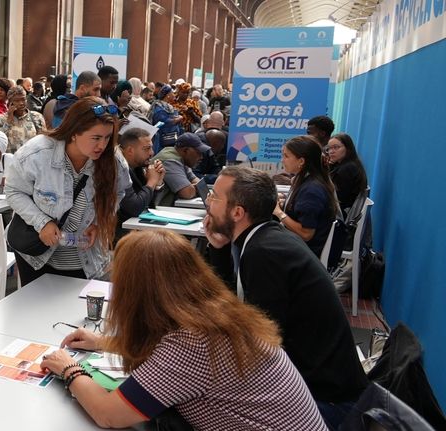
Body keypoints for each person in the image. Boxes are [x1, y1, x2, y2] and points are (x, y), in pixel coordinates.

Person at [40, 229, 328, 430]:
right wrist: (107, 342)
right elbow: (168, 351)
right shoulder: (215, 316)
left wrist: (69, 370)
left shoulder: (191, 344)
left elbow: (108, 414)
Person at [204, 166, 368, 428]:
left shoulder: (264, 253)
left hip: (323, 404)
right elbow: (239, 313)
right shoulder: (264, 238)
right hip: (319, 387)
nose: (208, 203)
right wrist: (219, 249)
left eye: (213, 197)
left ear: (237, 212)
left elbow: (260, 344)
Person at [5, 96, 130, 286]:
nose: (102, 146)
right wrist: (42, 223)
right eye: (95, 138)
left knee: (75, 311)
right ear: (74, 133)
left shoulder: (114, 162)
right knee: (35, 311)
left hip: (83, 257)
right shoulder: (37, 153)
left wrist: (98, 223)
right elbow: (13, 191)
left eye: (107, 137)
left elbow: (119, 193)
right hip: (37, 255)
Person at [273, 135, 339, 258]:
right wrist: (284, 204)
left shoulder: (311, 190)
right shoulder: (309, 181)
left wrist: (278, 213)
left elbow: (306, 234)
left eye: (286, 156)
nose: (283, 160)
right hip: (298, 245)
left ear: (301, 161)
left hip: (304, 253)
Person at [116, 128, 165, 241]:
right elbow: (134, 207)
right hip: (120, 235)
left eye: (151, 148)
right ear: (130, 150)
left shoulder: (137, 167)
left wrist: (158, 182)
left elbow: (149, 205)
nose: (152, 153)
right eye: (147, 149)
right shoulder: (119, 168)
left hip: (136, 230)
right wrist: (151, 182)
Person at [151, 132, 205, 206]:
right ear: (185, 150)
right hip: (156, 210)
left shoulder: (181, 158)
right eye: (198, 153)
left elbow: (198, 183)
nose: (201, 157)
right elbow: (187, 192)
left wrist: (195, 188)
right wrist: (197, 189)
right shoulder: (170, 160)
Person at [0, 86, 46, 153]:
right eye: (17, 101)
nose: (21, 103)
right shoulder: (2, 119)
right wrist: (8, 121)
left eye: (23, 99)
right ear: (10, 103)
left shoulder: (37, 117)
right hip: (11, 161)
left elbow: (43, 141)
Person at [328, 133, 368, 212]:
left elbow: (338, 199)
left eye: (336, 147)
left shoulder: (347, 169)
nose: (331, 151)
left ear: (348, 148)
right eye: (329, 148)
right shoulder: (349, 164)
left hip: (341, 214)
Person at [148, 85, 183, 153]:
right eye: (172, 93)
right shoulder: (158, 108)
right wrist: (177, 120)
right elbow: (162, 123)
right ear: (168, 95)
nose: (174, 95)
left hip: (171, 140)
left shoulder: (168, 106)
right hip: (161, 142)